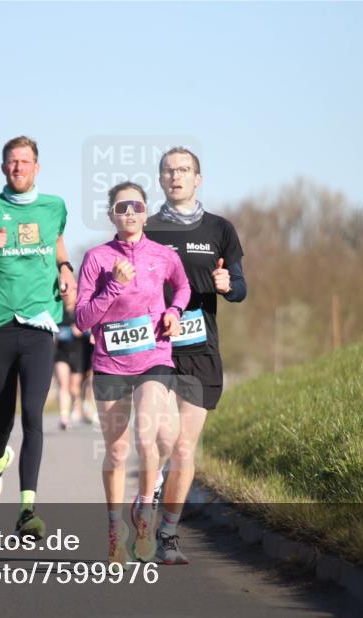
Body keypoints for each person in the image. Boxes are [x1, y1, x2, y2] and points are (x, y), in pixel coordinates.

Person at [0, 135, 77, 539]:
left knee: (34, 415)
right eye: (11, 162)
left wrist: (66, 268)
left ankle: (27, 510)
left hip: (41, 322)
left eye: (25, 161)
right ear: (3, 168)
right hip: (0, 322)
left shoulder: (55, 206)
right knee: (2, 420)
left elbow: (56, 240)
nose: (18, 167)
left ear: (37, 167)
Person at [75, 181, 190, 563]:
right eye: (122, 207)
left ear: (145, 213)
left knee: (147, 437)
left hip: (154, 356)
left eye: (137, 206)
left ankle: (144, 513)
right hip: (110, 364)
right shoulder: (96, 258)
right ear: (111, 214)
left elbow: (184, 286)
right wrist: (112, 287)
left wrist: (173, 313)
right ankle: (114, 529)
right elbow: (82, 319)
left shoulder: (162, 255)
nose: (130, 213)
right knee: (118, 452)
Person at [144, 147, 247, 564]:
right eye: (168, 171)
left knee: (185, 450)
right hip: (156, 346)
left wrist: (227, 284)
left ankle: (168, 535)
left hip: (201, 347)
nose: (176, 176)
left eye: (184, 170)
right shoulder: (146, 229)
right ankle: (148, 492)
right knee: (163, 440)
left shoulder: (221, 229)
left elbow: (240, 288)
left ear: (198, 178)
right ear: (160, 179)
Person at [53, 306, 85, 430]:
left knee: (74, 387)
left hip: (78, 353)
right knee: (63, 384)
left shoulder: (81, 309)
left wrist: (82, 330)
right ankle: (64, 418)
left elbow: (90, 330)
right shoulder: (58, 311)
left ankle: (77, 406)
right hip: (61, 353)